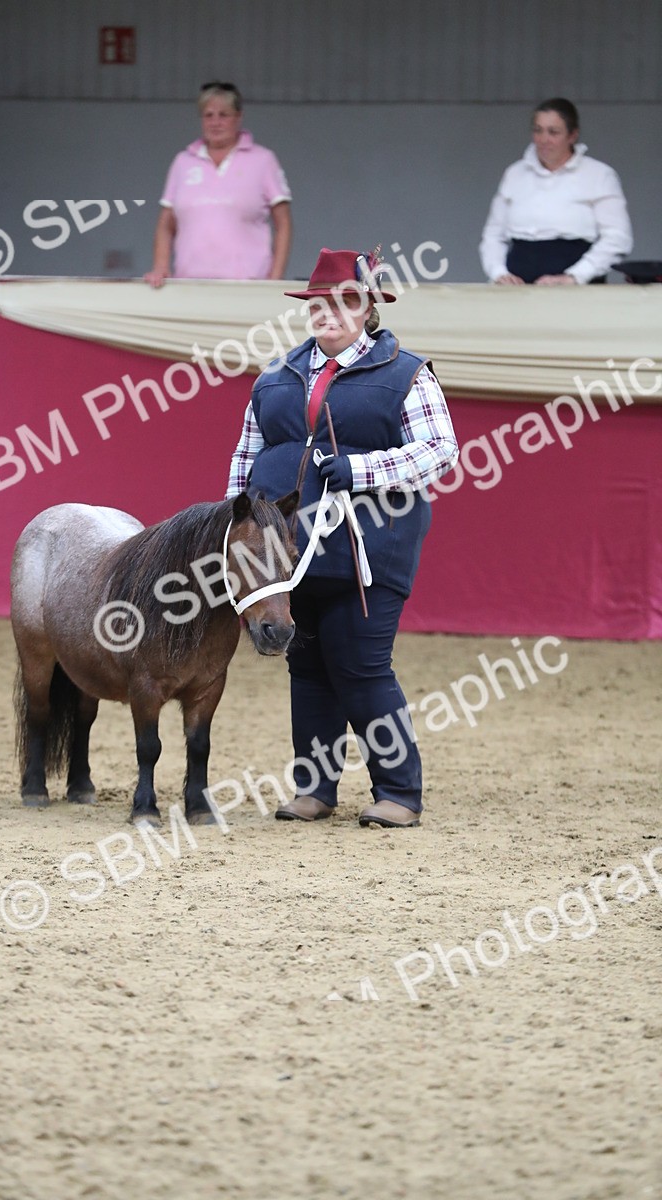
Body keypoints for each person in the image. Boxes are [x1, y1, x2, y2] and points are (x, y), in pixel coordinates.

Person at [225, 248, 459, 828]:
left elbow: (439, 450)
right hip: (288, 549)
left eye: (344, 302)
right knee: (305, 668)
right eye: (318, 304)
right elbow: (246, 456)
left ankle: (399, 792)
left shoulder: (406, 372)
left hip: (369, 545)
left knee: (360, 664)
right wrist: (232, 525)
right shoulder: (277, 375)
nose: (328, 313)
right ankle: (315, 788)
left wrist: (362, 471)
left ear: (368, 307)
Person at [144, 82, 292, 287]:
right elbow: (165, 224)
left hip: (248, 286)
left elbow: (283, 224)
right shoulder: (183, 161)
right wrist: (161, 266)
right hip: (188, 284)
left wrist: (274, 279)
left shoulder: (263, 160)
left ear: (238, 117)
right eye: (208, 115)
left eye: (224, 115)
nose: (215, 122)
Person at [479, 97, 632, 285]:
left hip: (578, 291)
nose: (544, 140)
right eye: (538, 130)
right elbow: (493, 234)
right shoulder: (515, 174)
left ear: (572, 135)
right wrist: (499, 272)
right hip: (518, 291)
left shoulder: (599, 175)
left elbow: (617, 238)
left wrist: (575, 276)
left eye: (554, 132)